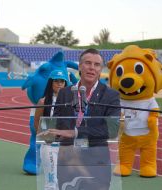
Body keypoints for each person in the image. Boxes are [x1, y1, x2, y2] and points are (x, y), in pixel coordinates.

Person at [46, 49, 121, 190]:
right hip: (68, 160)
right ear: (80, 66)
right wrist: (52, 132)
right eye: (88, 63)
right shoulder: (64, 93)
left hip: (96, 162)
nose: (92, 67)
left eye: (97, 64)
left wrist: (76, 132)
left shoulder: (111, 95)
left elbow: (112, 129)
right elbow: (56, 121)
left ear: (100, 69)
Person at [34, 70, 68, 190]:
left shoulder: (70, 102)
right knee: (51, 182)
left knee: (64, 182)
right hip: (49, 145)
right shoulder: (43, 101)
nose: (59, 84)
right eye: (56, 81)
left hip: (65, 146)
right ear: (50, 83)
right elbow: (37, 122)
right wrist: (44, 137)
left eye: (62, 81)